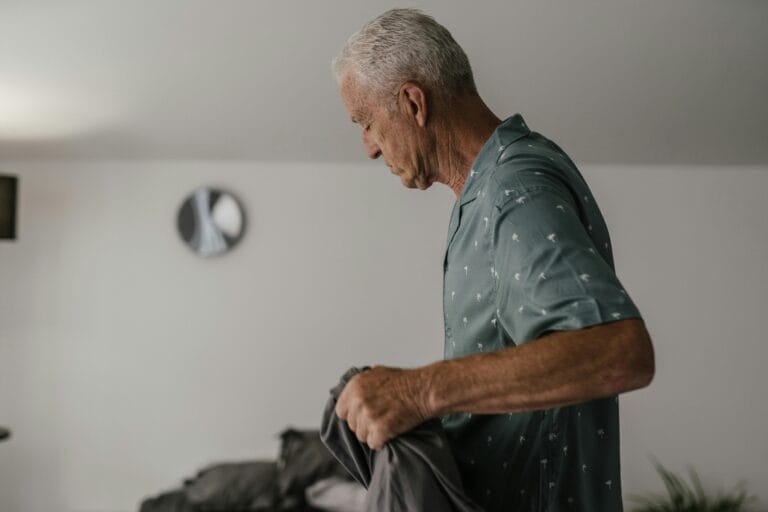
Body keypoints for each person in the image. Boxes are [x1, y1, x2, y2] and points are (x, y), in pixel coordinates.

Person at [331, 8, 655, 511]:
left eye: (367, 122)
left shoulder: (513, 189)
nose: (369, 148)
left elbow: (618, 351)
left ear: (413, 102)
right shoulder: (485, 192)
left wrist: (419, 392)